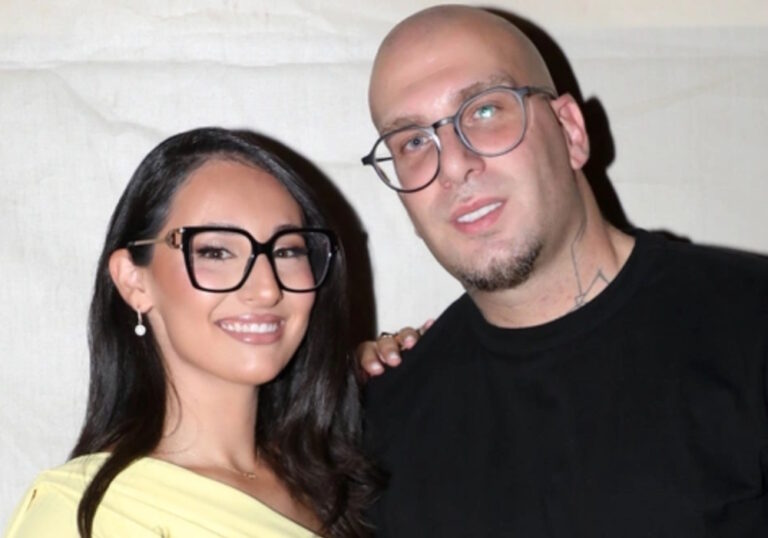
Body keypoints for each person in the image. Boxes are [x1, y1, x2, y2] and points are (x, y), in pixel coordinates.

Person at [359, 5, 768, 537]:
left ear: (570, 130)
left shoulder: (751, 327)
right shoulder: (378, 421)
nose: (454, 165)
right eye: (413, 142)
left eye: (485, 110)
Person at [5, 127, 379, 538]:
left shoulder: (342, 478)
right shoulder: (85, 514)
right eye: (215, 252)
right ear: (134, 281)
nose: (267, 288)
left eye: (288, 251)